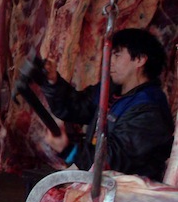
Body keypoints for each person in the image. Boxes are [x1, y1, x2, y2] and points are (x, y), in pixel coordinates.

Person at [39, 28, 174, 182]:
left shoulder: (149, 109)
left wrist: (70, 150)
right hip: (102, 183)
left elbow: (115, 161)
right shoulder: (110, 91)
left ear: (140, 60)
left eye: (117, 55)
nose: (110, 61)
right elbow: (74, 107)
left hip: (128, 195)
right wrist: (52, 82)